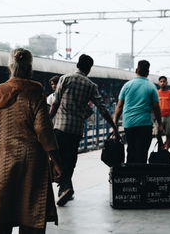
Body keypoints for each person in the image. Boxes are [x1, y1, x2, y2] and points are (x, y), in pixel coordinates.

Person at [0, 48, 62, 234]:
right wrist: (56, 160)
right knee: (31, 213)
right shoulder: (35, 90)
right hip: (31, 162)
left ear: (10, 66)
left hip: (0, 160)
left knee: (0, 211)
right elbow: (43, 129)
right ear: (30, 67)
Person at [49, 54, 120, 207]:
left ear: (78, 65)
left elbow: (55, 103)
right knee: (71, 159)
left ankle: (64, 187)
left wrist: (47, 120)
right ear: (89, 68)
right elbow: (102, 109)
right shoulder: (90, 85)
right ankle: (66, 188)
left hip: (60, 127)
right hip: (76, 129)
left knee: (58, 158)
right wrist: (114, 126)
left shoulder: (65, 79)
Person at [114, 60, 162, 163]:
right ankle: (141, 175)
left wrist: (115, 124)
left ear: (136, 70)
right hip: (145, 124)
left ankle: (130, 176)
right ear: (147, 72)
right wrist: (160, 123)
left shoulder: (127, 85)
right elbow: (156, 108)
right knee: (142, 152)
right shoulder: (151, 87)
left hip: (129, 124)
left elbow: (119, 106)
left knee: (131, 150)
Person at [157, 76, 170, 153]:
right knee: (157, 134)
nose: (162, 83)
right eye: (161, 81)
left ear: (166, 83)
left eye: (164, 81)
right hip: (159, 116)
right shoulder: (156, 92)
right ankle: (162, 146)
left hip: (169, 116)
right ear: (158, 83)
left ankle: (166, 150)